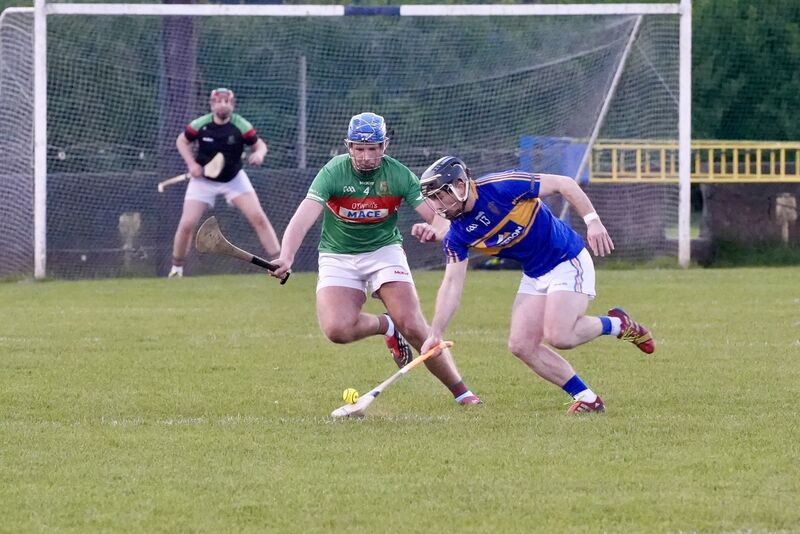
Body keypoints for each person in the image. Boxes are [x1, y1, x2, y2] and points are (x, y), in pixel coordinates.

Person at [413, 156, 655, 414]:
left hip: (567, 259)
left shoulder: (502, 186)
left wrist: (592, 221)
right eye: (434, 199)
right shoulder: (457, 235)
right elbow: (451, 284)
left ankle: (618, 325)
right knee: (521, 345)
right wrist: (435, 333)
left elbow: (565, 183)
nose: (438, 206)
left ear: (460, 185)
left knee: (560, 336)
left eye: (441, 196)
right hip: (534, 273)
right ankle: (587, 399)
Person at [270, 113, 481, 406]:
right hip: (338, 255)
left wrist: (434, 230)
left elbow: (438, 215)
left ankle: (462, 392)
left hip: (384, 252)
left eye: (373, 148)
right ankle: (386, 326)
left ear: (385, 146)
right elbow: (303, 217)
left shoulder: (398, 174)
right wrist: (286, 256)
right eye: (359, 148)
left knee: (413, 324)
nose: (366, 156)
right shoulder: (333, 172)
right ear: (348, 146)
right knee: (337, 330)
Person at [168, 88, 280, 277]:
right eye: (219, 101)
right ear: (212, 104)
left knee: (258, 218)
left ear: (232, 104)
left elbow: (260, 145)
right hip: (202, 181)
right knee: (187, 224)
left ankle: (280, 263)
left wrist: (259, 154)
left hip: (234, 179)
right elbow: (182, 141)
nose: (223, 105)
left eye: (227, 101)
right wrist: (192, 164)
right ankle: (176, 268)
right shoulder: (201, 125)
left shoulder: (241, 125)